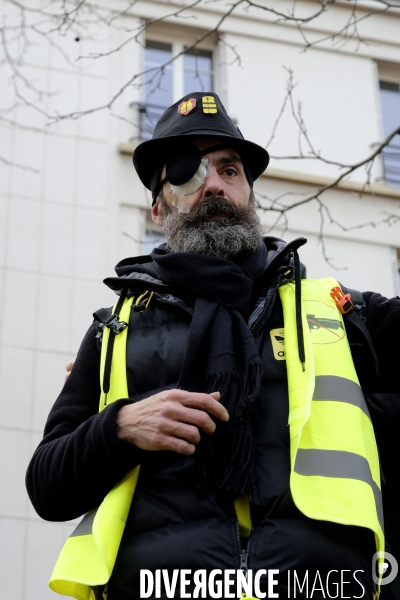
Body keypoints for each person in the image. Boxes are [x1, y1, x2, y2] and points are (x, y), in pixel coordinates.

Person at [26, 92, 400, 600]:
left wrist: (360, 415)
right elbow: (47, 487)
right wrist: (119, 428)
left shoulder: (338, 311)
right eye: (188, 174)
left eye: (229, 170)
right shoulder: (115, 330)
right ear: (158, 207)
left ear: (249, 193)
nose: (214, 186)